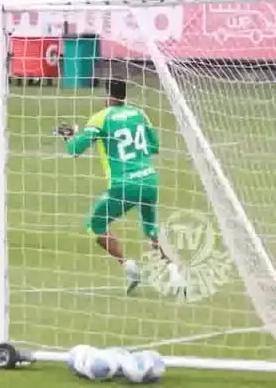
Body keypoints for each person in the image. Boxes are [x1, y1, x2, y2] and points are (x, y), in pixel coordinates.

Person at [57, 78, 184, 294]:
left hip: (123, 184)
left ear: (107, 96)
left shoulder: (100, 118)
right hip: (149, 180)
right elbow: (154, 146)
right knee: (151, 228)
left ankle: (128, 266)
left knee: (94, 225)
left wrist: (68, 136)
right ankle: (175, 273)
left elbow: (74, 150)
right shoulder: (139, 114)